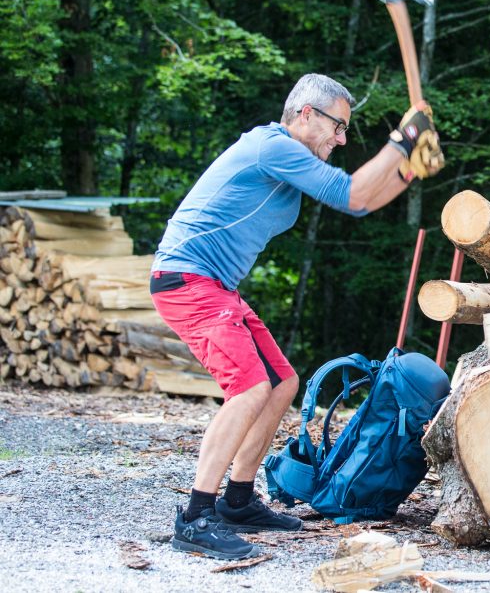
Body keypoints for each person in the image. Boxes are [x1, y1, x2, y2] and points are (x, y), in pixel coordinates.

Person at [149, 73, 443, 560]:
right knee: (249, 387)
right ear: (306, 114)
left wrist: (409, 167)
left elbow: (364, 201)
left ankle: (238, 500)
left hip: (214, 285)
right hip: (187, 280)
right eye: (338, 126)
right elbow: (353, 194)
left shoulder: (292, 158)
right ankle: (195, 518)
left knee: (281, 382)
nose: (342, 138)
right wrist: (403, 141)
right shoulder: (274, 146)